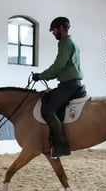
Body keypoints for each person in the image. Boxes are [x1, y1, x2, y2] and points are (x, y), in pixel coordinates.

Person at [31, 16, 85, 158]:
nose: (53, 33)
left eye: (54, 30)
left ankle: (62, 145)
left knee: (49, 111)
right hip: (70, 84)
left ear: (61, 28)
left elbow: (58, 66)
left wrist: (41, 76)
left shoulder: (65, 43)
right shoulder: (70, 42)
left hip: (69, 85)